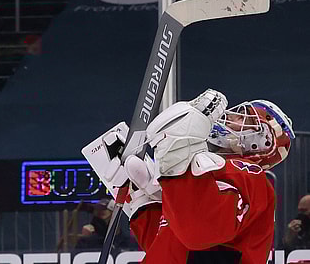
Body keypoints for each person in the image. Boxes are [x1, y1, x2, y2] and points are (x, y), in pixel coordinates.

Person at [89, 89, 295, 263]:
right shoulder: (209, 173)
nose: (231, 117)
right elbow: (172, 246)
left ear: (263, 142)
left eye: (244, 119)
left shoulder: (251, 174)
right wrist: (144, 204)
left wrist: (178, 155)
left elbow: (201, 233)